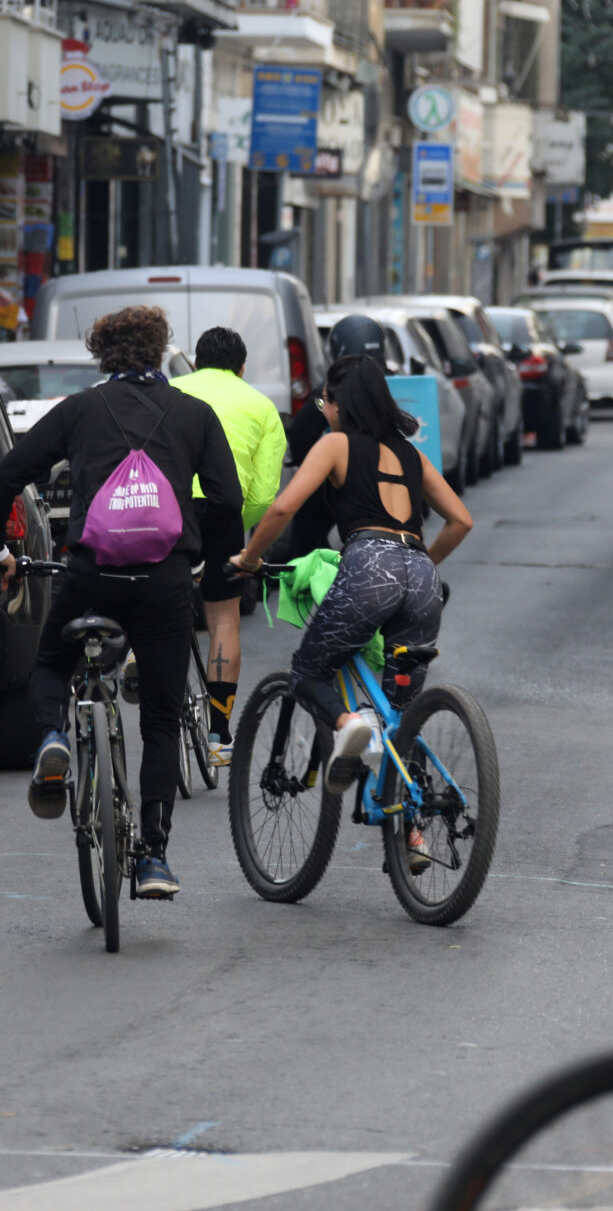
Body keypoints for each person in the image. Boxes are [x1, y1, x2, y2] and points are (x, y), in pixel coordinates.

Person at [0, 305, 239, 901]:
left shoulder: (80, 410)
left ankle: (51, 739)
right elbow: (228, 497)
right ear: (161, 349)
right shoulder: (195, 414)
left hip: (91, 574)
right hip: (166, 583)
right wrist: (196, 555)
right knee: (164, 717)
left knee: (49, 664)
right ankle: (153, 857)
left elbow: (6, 478)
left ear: (103, 354)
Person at [233, 355, 473, 846]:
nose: (325, 409)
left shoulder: (335, 444)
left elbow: (283, 506)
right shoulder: (411, 453)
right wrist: (422, 564)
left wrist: (249, 559)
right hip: (421, 575)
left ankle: (348, 724)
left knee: (308, 672)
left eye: (326, 401)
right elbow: (462, 520)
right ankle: (415, 836)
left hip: (369, 568)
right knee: (401, 711)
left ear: (342, 404)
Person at [171, 326, 287, 755]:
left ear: (196, 363)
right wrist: (241, 526)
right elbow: (261, 494)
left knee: (152, 597)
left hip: (168, 510)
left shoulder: (170, 390)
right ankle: (219, 734)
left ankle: (134, 661)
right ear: (242, 368)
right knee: (223, 620)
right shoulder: (261, 406)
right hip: (223, 515)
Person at [281, 314, 388, 560]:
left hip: (342, 485)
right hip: (396, 484)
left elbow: (303, 433)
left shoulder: (329, 393)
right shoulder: (399, 385)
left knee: (307, 524)